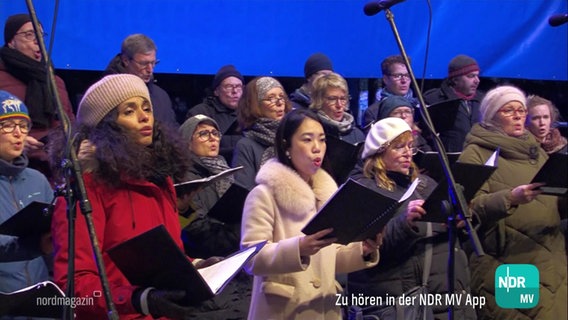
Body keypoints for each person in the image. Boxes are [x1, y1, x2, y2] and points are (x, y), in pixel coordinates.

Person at [48, 74, 212, 319]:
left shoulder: (160, 177)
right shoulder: (85, 188)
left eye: (147, 108)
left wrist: (197, 266)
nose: (144, 116)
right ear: (106, 125)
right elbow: (73, 289)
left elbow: (165, 258)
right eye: (129, 111)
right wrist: (136, 300)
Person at [240, 109, 380, 319]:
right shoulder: (264, 194)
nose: (317, 148)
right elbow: (251, 258)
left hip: (323, 307)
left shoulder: (326, 194)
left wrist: (363, 250)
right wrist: (299, 248)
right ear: (287, 146)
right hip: (283, 311)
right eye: (307, 139)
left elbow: (330, 258)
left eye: (322, 140)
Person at [347, 117, 476, 320]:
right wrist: (405, 223)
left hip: (449, 297)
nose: (408, 153)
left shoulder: (426, 183)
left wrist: (460, 222)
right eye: (399, 147)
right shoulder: (364, 189)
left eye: (410, 146)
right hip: (403, 301)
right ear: (378, 152)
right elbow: (362, 250)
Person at [458, 85, 567, 319]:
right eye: (508, 111)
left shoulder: (537, 152)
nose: (518, 116)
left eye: (521, 110)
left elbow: (554, 204)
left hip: (550, 258)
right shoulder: (477, 153)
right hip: (508, 263)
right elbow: (466, 208)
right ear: (491, 116)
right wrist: (510, 198)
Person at [0, 13, 76, 180]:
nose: (37, 41)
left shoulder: (56, 82)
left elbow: (70, 123)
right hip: (14, 173)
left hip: (57, 175)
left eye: (40, 35)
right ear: (11, 42)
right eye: (29, 35)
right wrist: (13, 142)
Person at [0, 91, 53, 317]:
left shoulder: (37, 179)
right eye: (9, 125)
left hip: (42, 304)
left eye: (23, 125)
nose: (18, 133)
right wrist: (34, 246)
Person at [103, 33, 178, 128]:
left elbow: (173, 134)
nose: (150, 70)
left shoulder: (161, 97)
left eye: (153, 63)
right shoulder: (106, 95)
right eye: (143, 63)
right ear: (125, 60)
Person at [232, 76, 292, 190]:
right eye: (270, 98)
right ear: (256, 105)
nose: (280, 103)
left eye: (281, 97)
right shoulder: (246, 145)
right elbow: (243, 192)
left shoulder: (292, 137)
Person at [423, 54, 484, 152]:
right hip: (448, 162)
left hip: (477, 159)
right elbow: (423, 134)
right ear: (455, 79)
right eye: (471, 76)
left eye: (477, 75)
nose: (477, 81)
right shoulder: (434, 100)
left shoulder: (483, 100)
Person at [186, 65, 245, 164]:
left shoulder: (249, 114)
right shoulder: (200, 113)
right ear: (216, 91)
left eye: (238, 86)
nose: (235, 91)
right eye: (229, 86)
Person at [363, 55, 419, 128]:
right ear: (385, 79)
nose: (404, 80)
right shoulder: (374, 112)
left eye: (407, 75)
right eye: (397, 76)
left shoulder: (419, 108)